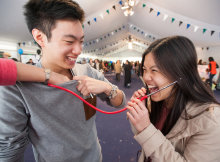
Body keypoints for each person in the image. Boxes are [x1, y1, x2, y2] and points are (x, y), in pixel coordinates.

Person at [0, 0, 126, 162]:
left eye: (81, 41)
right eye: (69, 41)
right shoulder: (17, 88)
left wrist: (108, 88)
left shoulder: (86, 70)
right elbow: (9, 152)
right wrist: (48, 76)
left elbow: (120, 103)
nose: (78, 50)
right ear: (40, 37)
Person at [126, 36, 220, 162]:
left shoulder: (211, 120)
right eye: (144, 69)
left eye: (154, 70)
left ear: (180, 73)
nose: (146, 77)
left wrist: (146, 129)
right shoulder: (158, 100)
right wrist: (137, 115)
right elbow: (146, 142)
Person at [0, 58, 69, 86]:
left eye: (80, 42)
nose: (78, 51)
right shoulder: (15, 87)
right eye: (69, 41)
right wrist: (50, 75)